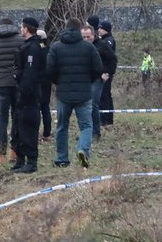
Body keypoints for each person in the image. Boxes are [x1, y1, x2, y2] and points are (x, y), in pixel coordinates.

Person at [47, 17, 103, 168]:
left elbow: (49, 70)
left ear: (65, 28)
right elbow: (98, 68)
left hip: (63, 93)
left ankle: (62, 159)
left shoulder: (56, 47)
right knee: (86, 126)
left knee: (62, 126)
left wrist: (58, 81)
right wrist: (88, 80)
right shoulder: (88, 47)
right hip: (84, 93)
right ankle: (82, 149)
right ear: (80, 30)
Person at [0, 16, 25, 165]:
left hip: (0, 85)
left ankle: (0, 154)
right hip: (17, 84)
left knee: (2, 120)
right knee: (17, 118)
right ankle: (15, 151)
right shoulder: (21, 40)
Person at [12, 16, 47, 173]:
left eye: (22, 27)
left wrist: (23, 94)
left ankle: (31, 162)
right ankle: (20, 159)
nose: (21, 30)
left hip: (29, 95)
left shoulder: (33, 48)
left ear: (26, 29)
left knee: (28, 127)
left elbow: (30, 74)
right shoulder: (29, 46)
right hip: (24, 92)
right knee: (19, 127)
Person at [88, 23, 116, 138]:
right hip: (85, 79)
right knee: (86, 106)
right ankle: (87, 131)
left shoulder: (103, 44)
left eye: (88, 37)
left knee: (94, 103)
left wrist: (106, 72)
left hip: (99, 78)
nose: (86, 39)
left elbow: (112, 59)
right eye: (83, 37)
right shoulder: (82, 46)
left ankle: (96, 130)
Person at [97, 21, 117, 127]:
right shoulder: (103, 40)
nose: (99, 30)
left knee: (104, 96)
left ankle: (105, 119)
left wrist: (107, 72)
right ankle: (108, 119)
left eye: (101, 28)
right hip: (104, 71)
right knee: (106, 96)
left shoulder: (108, 41)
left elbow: (109, 57)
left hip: (106, 73)